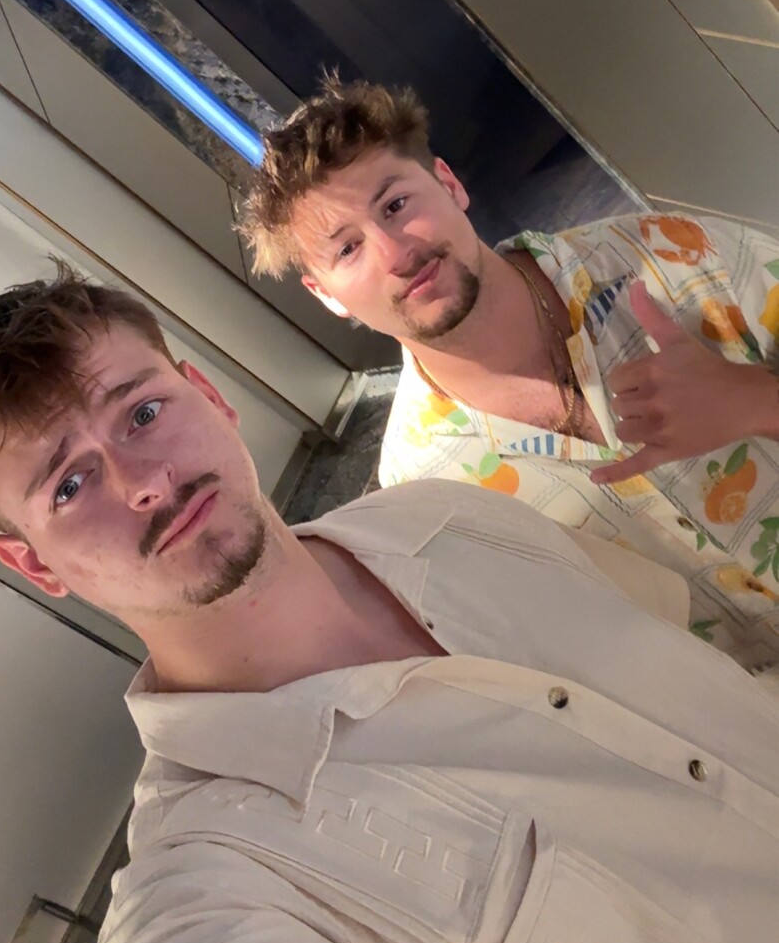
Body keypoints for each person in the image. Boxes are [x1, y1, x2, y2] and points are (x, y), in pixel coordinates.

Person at [0, 265, 779, 943]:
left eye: (142, 412)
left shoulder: (451, 514)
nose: (142, 481)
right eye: (68, 485)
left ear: (209, 393)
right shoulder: (204, 896)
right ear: (36, 565)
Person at [239, 76, 779, 671]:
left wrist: (757, 399)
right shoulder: (425, 491)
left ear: (449, 184)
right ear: (325, 295)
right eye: (347, 249)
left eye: (395, 206)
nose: (395, 255)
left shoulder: (666, 255)